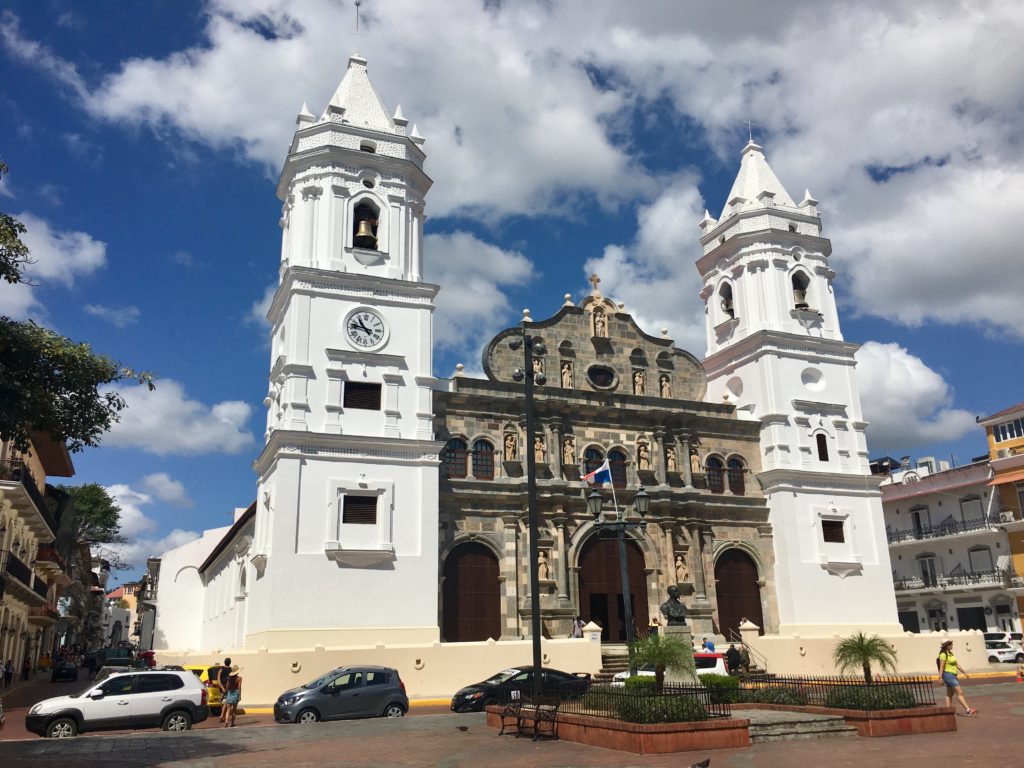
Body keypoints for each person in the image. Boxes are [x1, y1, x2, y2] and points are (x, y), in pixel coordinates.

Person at [936, 640, 977, 715]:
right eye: (951, 644)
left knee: (949, 694)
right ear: (947, 645)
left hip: (953, 675)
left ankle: (948, 712)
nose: (952, 645)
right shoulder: (943, 654)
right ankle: (968, 710)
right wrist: (940, 677)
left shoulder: (950, 653)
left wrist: (965, 673)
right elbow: (941, 667)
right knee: (960, 692)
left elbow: (957, 665)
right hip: (948, 675)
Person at [217, 657, 232, 722]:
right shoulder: (231, 670)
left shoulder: (221, 670)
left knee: (223, 702)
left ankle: (222, 715)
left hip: (221, 688)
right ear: (230, 663)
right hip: (228, 688)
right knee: (226, 702)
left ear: (224, 662)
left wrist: (221, 687)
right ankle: (222, 715)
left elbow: (218, 679)